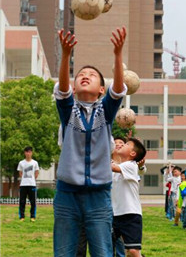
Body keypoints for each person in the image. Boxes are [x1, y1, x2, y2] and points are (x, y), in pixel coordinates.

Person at [53, 27, 127, 256]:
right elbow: (63, 91)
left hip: (99, 196)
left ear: (101, 90)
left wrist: (117, 54)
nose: (85, 75)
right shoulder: (68, 111)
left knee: (102, 251)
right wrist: (66, 56)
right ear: (75, 87)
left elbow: (117, 91)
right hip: (67, 195)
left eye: (92, 75)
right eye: (81, 74)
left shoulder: (105, 111)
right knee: (64, 252)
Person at [111, 137, 147, 257]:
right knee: (106, 248)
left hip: (131, 214)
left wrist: (101, 151)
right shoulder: (118, 165)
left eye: (125, 144)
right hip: (114, 214)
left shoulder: (131, 165)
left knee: (132, 251)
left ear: (132, 153)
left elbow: (113, 167)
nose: (121, 145)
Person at [18, 146, 39, 222]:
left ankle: (32, 217)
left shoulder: (35, 163)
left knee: (33, 202)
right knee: (22, 201)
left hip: (32, 184)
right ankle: (22, 217)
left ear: (31, 153)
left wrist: (32, 180)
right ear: (25, 153)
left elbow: (36, 173)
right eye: (27, 152)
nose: (28, 153)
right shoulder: (21, 163)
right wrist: (24, 179)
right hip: (23, 185)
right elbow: (20, 173)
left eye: (29, 152)